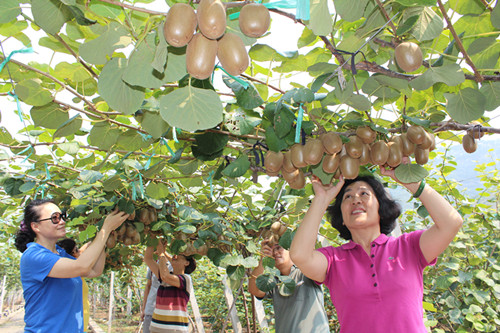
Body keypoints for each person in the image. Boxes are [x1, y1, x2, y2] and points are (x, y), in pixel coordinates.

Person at [289, 167, 464, 333]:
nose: (356, 199)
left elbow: (451, 223)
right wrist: (321, 198)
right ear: (341, 217)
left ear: (381, 207)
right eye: (347, 197)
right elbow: (300, 255)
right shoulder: (334, 260)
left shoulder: (408, 247)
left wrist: (410, 180)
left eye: (364, 193)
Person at [14, 199, 129, 332]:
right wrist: (106, 228)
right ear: (36, 226)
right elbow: (82, 267)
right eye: (54, 218)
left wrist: (103, 236)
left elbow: (93, 271)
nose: (62, 222)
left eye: (62, 216)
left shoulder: (61, 253)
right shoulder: (33, 256)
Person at [248, 240, 330, 332]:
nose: (275, 253)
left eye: (278, 247)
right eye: (271, 250)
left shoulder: (305, 273)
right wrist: (263, 259)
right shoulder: (274, 281)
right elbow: (254, 290)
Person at [143, 240, 196, 333]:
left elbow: (165, 276)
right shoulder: (164, 277)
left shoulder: (185, 279)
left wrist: (161, 253)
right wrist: (152, 239)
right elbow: (148, 259)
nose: (174, 257)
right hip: (156, 328)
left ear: (186, 263)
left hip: (175, 330)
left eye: (178, 256)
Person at [57, 238, 100, 333]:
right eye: (76, 250)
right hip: (74, 326)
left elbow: (82, 250)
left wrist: (98, 238)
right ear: (72, 254)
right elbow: (96, 270)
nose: (80, 251)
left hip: (80, 324)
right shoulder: (75, 271)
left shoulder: (70, 269)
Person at [141, 262, 173, 333]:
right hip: (151, 309)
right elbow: (148, 286)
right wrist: (144, 309)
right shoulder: (153, 265)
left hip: (167, 312)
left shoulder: (173, 265)